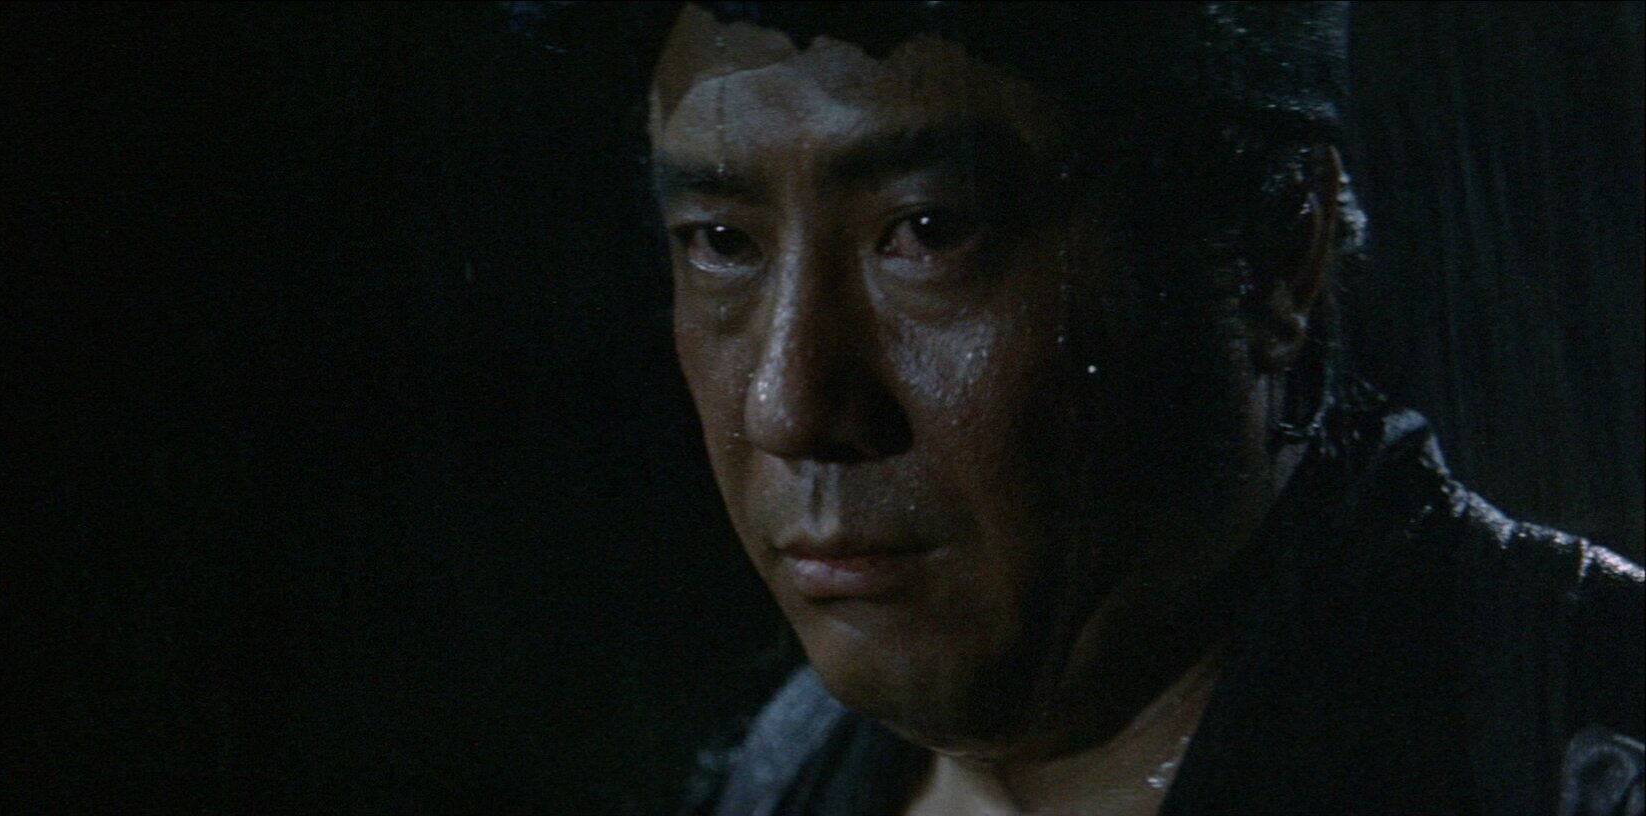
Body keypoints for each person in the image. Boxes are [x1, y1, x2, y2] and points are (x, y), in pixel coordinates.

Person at [643, 3, 1645, 814]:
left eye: (930, 231)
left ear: (1274, 251)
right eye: (723, 243)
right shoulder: (779, 768)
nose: (788, 406)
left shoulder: (1571, 752)